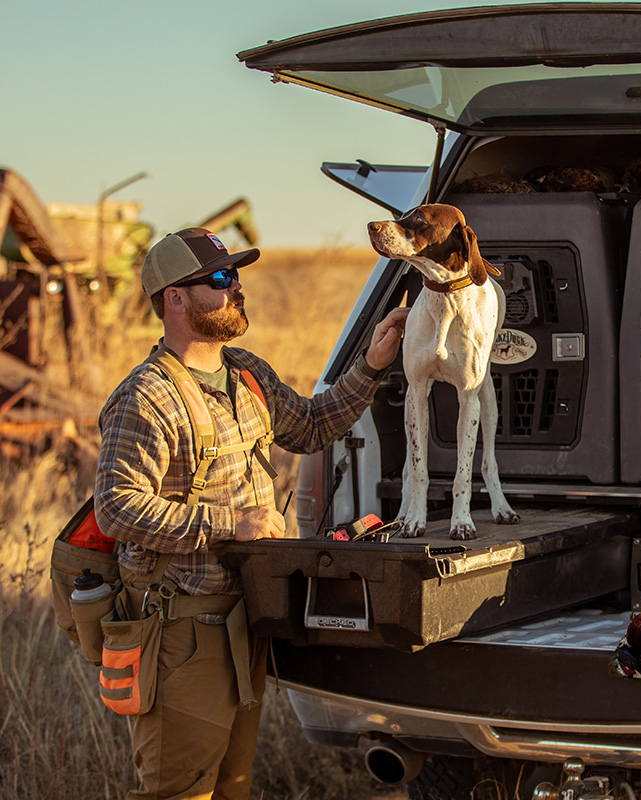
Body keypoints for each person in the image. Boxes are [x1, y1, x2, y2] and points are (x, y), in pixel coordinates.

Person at [94, 227, 409, 800]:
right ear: (176, 299)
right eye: (219, 278)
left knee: (232, 788)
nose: (235, 287)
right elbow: (116, 507)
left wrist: (371, 365)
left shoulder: (246, 373)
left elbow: (312, 425)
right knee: (178, 792)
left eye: (236, 274)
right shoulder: (145, 397)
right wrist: (225, 525)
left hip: (247, 621)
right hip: (180, 635)